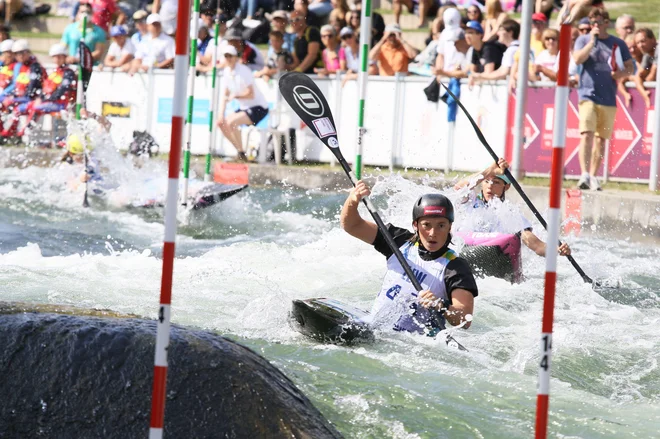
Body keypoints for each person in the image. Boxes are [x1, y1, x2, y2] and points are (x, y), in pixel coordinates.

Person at [340, 181, 478, 334]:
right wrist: (353, 200)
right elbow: (351, 225)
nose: (433, 233)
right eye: (426, 225)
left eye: (441, 225)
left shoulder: (455, 267)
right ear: (415, 225)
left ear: (450, 227)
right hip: (376, 330)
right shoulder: (398, 241)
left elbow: (465, 319)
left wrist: (440, 304)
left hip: (414, 344)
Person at [454, 158, 572, 258]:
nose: (490, 186)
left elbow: (534, 243)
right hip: (465, 251)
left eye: (496, 182)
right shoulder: (470, 201)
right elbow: (458, 188)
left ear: (506, 187)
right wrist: (489, 171)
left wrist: (556, 250)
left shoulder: (510, 214)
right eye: (486, 181)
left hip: (494, 256)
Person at [573, 8, 633, 190]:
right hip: (587, 94)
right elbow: (577, 59)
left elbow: (630, 67)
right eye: (593, 23)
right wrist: (592, 41)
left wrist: (620, 74)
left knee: (601, 139)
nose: (595, 26)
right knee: (586, 134)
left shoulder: (618, 43)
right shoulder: (583, 40)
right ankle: (584, 174)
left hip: (608, 96)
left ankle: (593, 176)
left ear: (607, 22)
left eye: (599, 22)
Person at [1, 44, 76, 138]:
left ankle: (24, 133)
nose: (57, 59)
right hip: (48, 101)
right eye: (55, 57)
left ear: (64, 57)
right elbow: (46, 89)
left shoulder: (68, 73)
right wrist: (42, 98)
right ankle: (9, 133)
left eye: (59, 57)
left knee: (35, 108)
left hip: (60, 103)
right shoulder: (54, 72)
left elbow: (62, 91)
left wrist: (45, 99)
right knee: (18, 109)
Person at [216, 45, 269, 162]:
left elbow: (251, 94)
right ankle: (240, 152)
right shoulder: (226, 72)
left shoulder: (243, 71)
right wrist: (220, 114)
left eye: (231, 56)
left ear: (236, 57)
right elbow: (224, 96)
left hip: (259, 107)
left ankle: (241, 153)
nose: (228, 58)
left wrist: (236, 96)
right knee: (221, 123)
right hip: (245, 107)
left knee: (231, 122)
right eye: (226, 56)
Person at [0, 40, 44, 117]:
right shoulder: (19, 66)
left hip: (30, 98)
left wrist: (13, 97)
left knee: (9, 105)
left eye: (22, 52)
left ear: (28, 52)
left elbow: (32, 87)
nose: (20, 56)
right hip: (19, 96)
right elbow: (15, 84)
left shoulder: (34, 66)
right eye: (17, 54)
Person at [469, 18, 519, 85]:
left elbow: (504, 73)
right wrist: (480, 76)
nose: (498, 33)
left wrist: (480, 77)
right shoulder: (514, 48)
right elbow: (500, 71)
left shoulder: (512, 50)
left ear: (510, 32)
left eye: (501, 30)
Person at [289, 9, 323, 74]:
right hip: (305, 73)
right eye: (291, 20)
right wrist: (286, 67)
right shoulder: (296, 38)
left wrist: (298, 70)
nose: (294, 22)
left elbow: (312, 55)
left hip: (317, 73)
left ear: (304, 19)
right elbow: (297, 62)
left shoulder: (312, 31)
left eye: (297, 19)